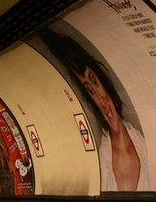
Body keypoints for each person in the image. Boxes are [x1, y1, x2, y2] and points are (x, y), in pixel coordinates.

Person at [39, 30, 149, 191]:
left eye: (94, 82)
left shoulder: (142, 141)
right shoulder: (103, 158)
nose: (99, 97)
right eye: (90, 91)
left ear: (104, 82)